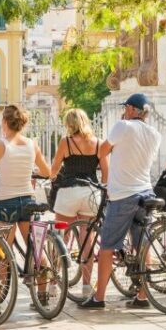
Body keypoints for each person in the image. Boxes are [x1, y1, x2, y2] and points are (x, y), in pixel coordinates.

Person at [79, 93, 161, 310]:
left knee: (107, 247)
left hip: (123, 194)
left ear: (133, 110)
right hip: (146, 193)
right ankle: (143, 296)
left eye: (126, 108)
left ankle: (99, 297)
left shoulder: (123, 126)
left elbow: (103, 150)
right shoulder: (154, 133)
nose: (124, 111)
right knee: (142, 245)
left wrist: (107, 173)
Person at [49, 108, 108, 299]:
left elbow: (54, 169)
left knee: (60, 237)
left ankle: (53, 284)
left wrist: (52, 177)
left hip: (69, 192)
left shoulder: (66, 142)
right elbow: (106, 173)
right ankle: (86, 286)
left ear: (70, 124)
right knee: (87, 241)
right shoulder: (98, 143)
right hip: (91, 193)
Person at [0, 104, 51, 246]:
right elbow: (47, 172)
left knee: (3, 255)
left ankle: (5, 268)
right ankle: (44, 266)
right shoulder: (32, 144)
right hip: (29, 199)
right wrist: (31, 172)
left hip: (6, 202)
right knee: (34, 248)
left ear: (4, 122)